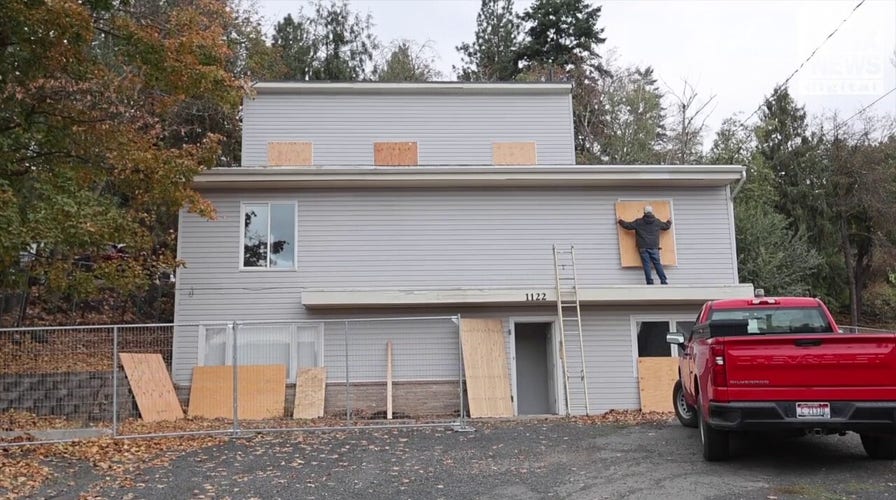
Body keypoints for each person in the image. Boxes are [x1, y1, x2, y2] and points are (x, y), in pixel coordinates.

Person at [618, 205, 672, 285]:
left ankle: (649, 282)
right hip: (654, 247)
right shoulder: (657, 222)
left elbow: (628, 226)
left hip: (643, 247)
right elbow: (666, 227)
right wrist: (669, 221)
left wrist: (620, 221)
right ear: (652, 212)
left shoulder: (639, 222)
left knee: (646, 264)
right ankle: (663, 281)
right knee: (657, 263)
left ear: (644, 212)